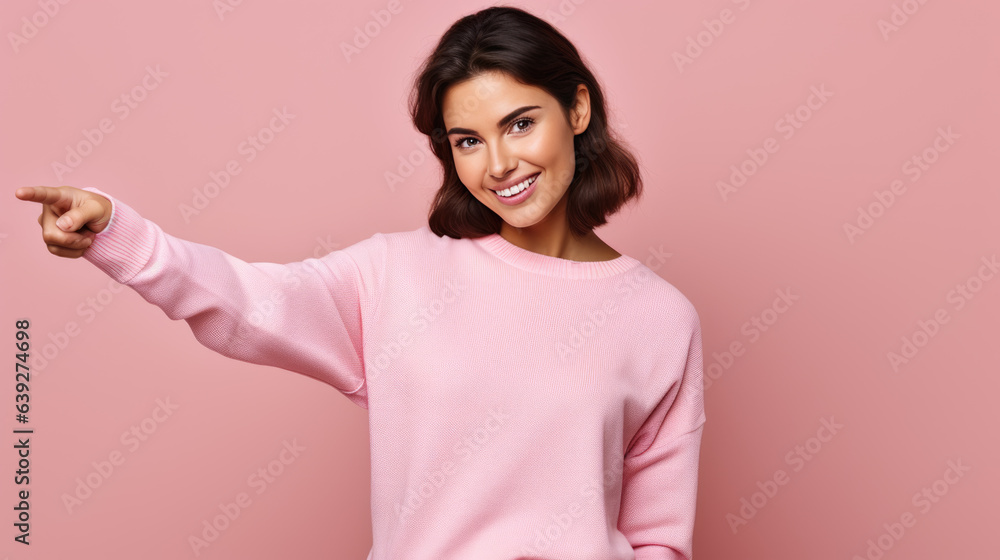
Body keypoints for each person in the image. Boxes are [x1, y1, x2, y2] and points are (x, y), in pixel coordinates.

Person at [15, 6, 706, 559]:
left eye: (520, 124)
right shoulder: (394, 275)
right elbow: (248, 302)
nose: (499, 163)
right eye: (467, 140)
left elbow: (659, 539)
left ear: (577, 111)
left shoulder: (660, 319)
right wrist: (115, 231)